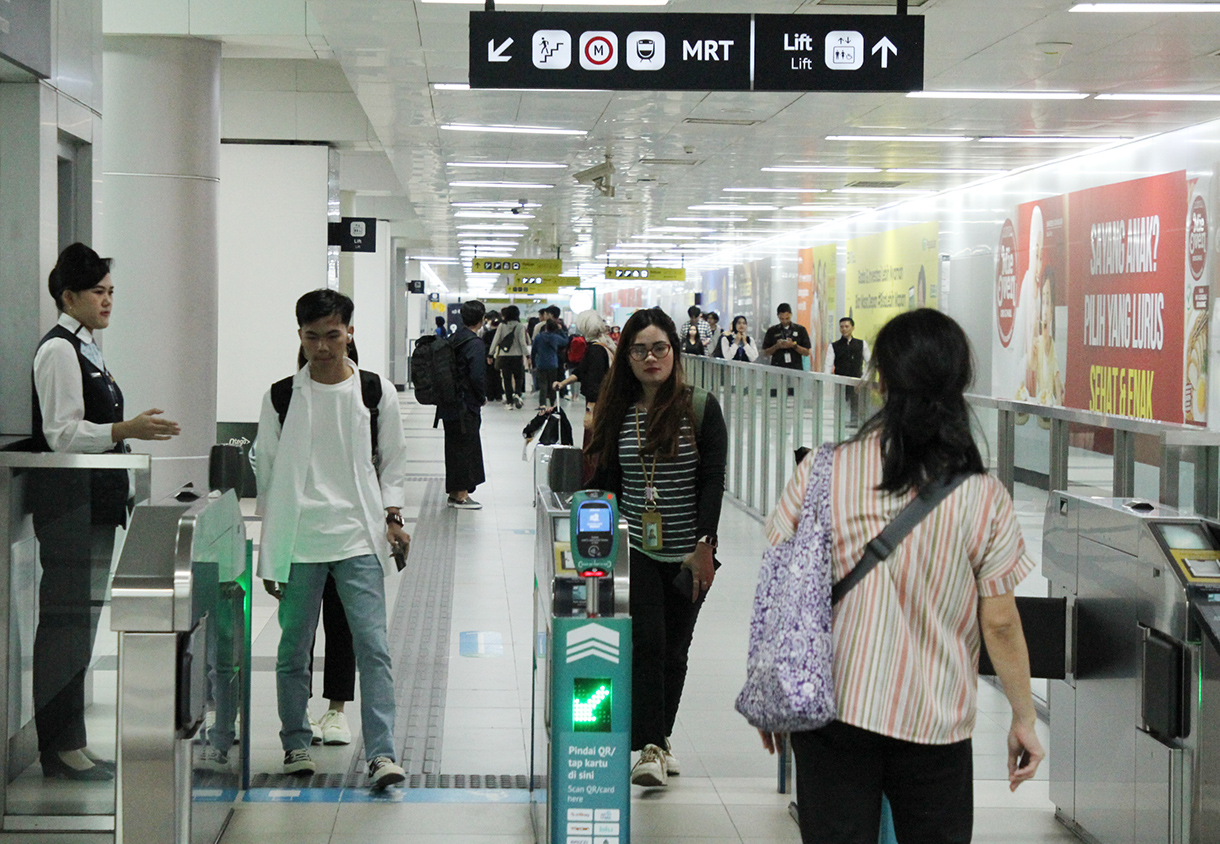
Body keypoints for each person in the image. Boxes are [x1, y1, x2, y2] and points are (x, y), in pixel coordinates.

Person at [759, 309, 1044, 843]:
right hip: (935, 723)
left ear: (880, 381)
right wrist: (1024, 717)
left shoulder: (821, 470)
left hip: (833, 711)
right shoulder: (984, 497)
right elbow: (1000, 623)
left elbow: (783, 588)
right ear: (959, 382)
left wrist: (775, 690)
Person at [30, 242, 182, 780]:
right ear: (68, 296)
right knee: (66, 625)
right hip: (68, 505)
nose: (108, 301)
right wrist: (125, 430)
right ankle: (58, 746)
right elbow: (62, 433)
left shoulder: (88, 347)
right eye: (98, 292)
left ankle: (73, 739)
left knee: (82, 622)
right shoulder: (58, 351)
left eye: (111, 292)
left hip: (94, 505)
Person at [255, 289, 408, 789]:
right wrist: (270, 554)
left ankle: (382, 754)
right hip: (299, 540)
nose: (323, 347)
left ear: (350, 332)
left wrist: (393, 517)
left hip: (357, 537)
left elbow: (393, 459)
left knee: (374, 648)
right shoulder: (281, 395)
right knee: (292, 651)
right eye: (312, 337)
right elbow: (271, 474)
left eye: (332, 335)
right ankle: (296, 742)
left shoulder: (373, 390)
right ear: (300, 336)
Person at [585, 307, 727, 788]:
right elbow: (608, 480)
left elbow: (712, 480)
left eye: (659, 348)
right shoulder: (617, 411)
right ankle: (648, 746)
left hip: (689, 551)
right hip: (636, 548)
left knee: (676, 651)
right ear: (626, 357)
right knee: (646, 644)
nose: (651, 358)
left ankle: (659, 738)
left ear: (674, 351)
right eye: (640, 349)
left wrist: (704, 544)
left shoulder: (701, 407)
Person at [438, 300, 488, 510]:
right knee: (466, 446)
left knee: (453, 446)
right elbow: (476, 375)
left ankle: (454, 491)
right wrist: (482, 395)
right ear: (481, 319)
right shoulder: (474, 343)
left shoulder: (453, 339)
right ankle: (461, 495)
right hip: (465, 404)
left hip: (449, 403)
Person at [554, 309, 615, 429]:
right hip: (605, 400)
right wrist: (562, 384)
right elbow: (581, 371)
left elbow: (594, 380)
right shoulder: (604, 346)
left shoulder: (595, 350)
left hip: (598, 403)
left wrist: (590, 409)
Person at [826, 316, 870, 424]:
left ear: (852, 328)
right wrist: (827, 381)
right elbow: (828, 365)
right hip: (840, 381)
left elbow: (869, 361)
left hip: (857, 381)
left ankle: (855, 425)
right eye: (842, 327)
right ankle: (840, 424)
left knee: (856, 404)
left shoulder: (861, 344)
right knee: (840, 404)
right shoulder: (834, 346)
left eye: (847, 326)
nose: (844, 329)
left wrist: (865, 378)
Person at [490, 304, 528, 409]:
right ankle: (517, 393)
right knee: (518, 377)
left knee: (506, 379)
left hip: (504, 356)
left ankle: (509, 402)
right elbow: (522, 343)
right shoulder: (520, 326)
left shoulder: (502, 326)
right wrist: (527, 355)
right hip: (517, 356)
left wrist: (490, 353)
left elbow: (496, 340)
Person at [761, 303, 811, 371]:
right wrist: (776, 346)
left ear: (791, 314)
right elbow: (765, 353)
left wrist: (793, 345)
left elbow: (807, 352)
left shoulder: (800, 330)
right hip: (777, 368)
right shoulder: (772, 331)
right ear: (778, 316)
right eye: (782, 318)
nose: (784, 321)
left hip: (795, 368)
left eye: (787, 318)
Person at [531, 320, 567, 408]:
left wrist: (533, 364)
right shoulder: (555, 337)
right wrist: (561, 330)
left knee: (543, 384)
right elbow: (566, 341)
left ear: (546, 327)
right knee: (552, 384)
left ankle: (542, 404)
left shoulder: (538, 337)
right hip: (553, 363)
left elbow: (533, 351)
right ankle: (552, 403)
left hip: (541, 363)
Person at [480, 311, 504, 403]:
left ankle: (490, 394)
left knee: (489, 376)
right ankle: (498, 394)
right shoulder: (500, 334)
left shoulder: (487, 333)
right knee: (497, 375)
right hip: (499, 356)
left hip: (488, 356)